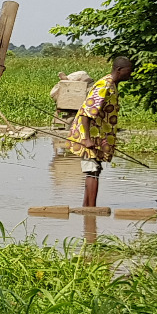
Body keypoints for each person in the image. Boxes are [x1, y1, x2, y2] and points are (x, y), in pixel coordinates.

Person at [64, 55, 133, 207]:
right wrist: (87, 139)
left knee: (95, 170)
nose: (130, 74)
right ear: (119, 70)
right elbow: (86, 114)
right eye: (129, 71)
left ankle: (87, 208)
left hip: (98, 136)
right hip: (89, 136)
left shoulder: (112, 85)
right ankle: (90, 211)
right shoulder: (104, 86)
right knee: (92, 171)